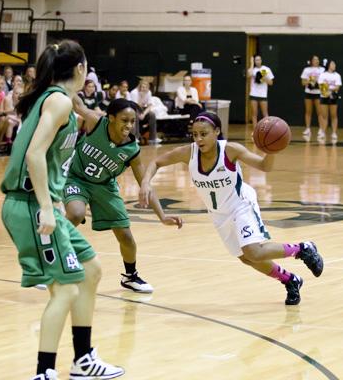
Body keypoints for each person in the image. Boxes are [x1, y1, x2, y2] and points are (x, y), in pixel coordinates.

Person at [0, 40, 124, 380]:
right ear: (81, 69)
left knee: (91, 269)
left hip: (39, 202)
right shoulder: (55, 101)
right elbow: (33, 155)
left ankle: (83, 359)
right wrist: (46, 208)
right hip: (29, 205)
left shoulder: (60, 100)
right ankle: (44, 372)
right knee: (67, 287)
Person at [139, 111, 324, 305]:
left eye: (204, 133)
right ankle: (291, 280)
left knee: (254, 252)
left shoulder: (230, 150)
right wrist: (145, 182)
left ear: (217, 131)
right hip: (219, 214)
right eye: (195, 134)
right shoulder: (189, 153)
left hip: (240, 204)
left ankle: (303, 249)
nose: (199, 139)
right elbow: (156, 162)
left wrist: (271, 150)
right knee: (246, 258)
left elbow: (264, 166)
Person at [65, 98, 182, 293]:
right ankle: (47, 257)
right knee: (76, 213)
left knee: (126, 236)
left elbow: (145, 185)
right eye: (124, 120)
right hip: (76, 178)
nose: (129, 125)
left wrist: (162, 216)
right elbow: (78, 105)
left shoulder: (131, 150)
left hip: (105, 186)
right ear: (111, 118)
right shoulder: (96, 122)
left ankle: (130, 277)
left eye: (132, 121)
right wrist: (61, 79)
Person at [247, 55, 274, 130]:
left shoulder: (266, 69)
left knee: (265, 113)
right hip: (253, 94)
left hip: (263, 95)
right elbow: (249, 74)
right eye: (256, 60)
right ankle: (255, 131)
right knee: (254, 113)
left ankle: (267, 130)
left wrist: (264, 77)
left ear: (261, 60)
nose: (257, 61)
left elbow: (271, 82)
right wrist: (251, 63)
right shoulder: (253, 69)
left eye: (259, 60)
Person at [300, 55, 325, 138]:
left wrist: (318, 82)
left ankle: (321, 129)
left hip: (318, 93)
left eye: (317, 59)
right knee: (308, 111)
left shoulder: (322, 70)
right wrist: (310, 80)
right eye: (314, 59)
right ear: (311, 61)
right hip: (309, 92)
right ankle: (307, 129)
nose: (316, 61)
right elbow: (303, 82)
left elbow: (325, 82)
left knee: (320, 112)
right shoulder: (307, 70)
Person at [318, 60, 342, 141]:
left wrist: (329, 89)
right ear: (328, 65)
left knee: (334, 115)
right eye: (332, 64)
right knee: (324, 115)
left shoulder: (337, 75)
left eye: (334, 64)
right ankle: (323, 131)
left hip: (333, 97)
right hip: (324, 96)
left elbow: (338, 86)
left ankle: (334, 132)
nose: (334, 65)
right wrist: (326, 90)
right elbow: (321, 85)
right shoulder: (323, 74)